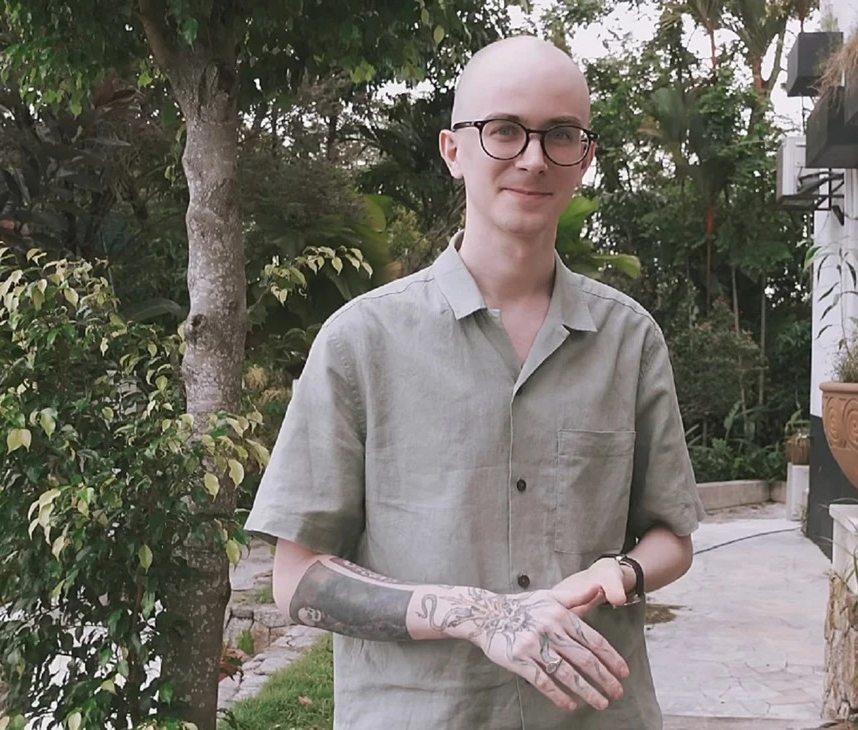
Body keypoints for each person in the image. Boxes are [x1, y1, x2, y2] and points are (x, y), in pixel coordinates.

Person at [244, 34, 705, 729]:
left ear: (585, 157)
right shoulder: (360, 341)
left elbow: (671, 534)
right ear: (453, 149)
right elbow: (297, 577)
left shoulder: (628, 338)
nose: (533, 157)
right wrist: (479, 614)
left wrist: (618, 573)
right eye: (504, 130)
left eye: (560, 134)